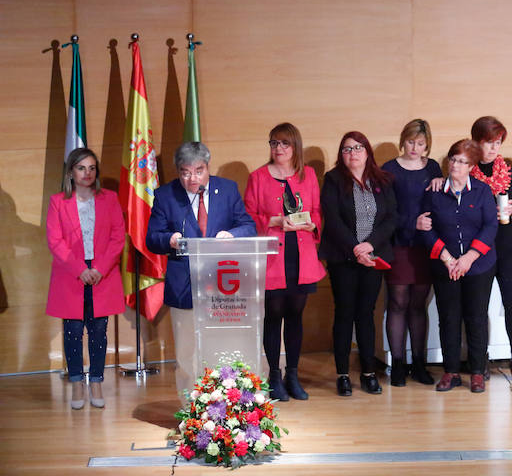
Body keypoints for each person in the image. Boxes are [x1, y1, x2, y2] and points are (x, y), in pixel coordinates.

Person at [146, 142, 257, 397]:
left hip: (222, 287)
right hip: (183, 284)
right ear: (178, 172)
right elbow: (152, 238)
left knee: (219, 348)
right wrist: (169, 239)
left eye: (198, 171)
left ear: (208, 167)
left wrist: (232, 234)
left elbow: (248, 225)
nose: (192, 178)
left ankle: (220, 406)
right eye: (185, 172)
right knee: (186, 352)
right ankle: (190, 411)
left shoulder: (227, 189)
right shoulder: (165, 195)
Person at [244, 123, 325, 401]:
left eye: (284, 144)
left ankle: (293, 374)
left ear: (295, 147)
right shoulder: (257, 177)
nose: (278, 149)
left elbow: (316, 211)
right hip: (272, 257)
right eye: (274, 143)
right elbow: (248, 217)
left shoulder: (309, 175)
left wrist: (312, 224)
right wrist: (275, 221)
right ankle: (274, 376)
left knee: (295, 316)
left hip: (301, 255)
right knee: (273, 315)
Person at [319, 132, 397, 397]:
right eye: (346, 149)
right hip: (344, 258)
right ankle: (342, 375)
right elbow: (332, 219)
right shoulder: (333, 180)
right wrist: (355, 248)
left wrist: (369, 245)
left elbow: (391, 218)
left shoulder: (382, 180)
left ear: (367, 152)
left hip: (373, 258)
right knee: (344, 314)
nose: (352, 153)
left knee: (366, 314)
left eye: (357, 148)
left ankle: (368, 373)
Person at [46, 148, 125, 409]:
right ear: (71, 172)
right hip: (72, 273)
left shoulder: (109, 199)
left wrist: (99, 268)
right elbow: (55, 241)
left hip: (102, 273)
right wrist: (79, 269)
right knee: (73, 331)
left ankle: (97, 381)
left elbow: (117, 238)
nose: (87, 173)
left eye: (92, 168)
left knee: (99, 330)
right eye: (81, 168)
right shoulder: (59, 202)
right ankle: (78, 382)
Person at [420, 139, 498, 393]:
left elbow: (490, 227)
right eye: (453, 159)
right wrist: (447, 259)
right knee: (449, 318)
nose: (456, 165)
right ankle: (451, 371)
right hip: (445, 265)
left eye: (463, 161)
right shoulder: (433, 191)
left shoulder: (482, 191)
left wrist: (468, 258)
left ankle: (477, 372)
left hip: (478, 265)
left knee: (476, 318)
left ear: (471, 166)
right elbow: (426, 228)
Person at [469, 116, 512, 384]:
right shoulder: (466, 168)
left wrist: (509, 211)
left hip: (506, 244)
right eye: (488, 142)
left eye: (498, 143)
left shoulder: (506, 168)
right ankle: (479, 359)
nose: (494, 148)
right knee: (478, 306)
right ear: (476, 142)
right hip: (480, 246)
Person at [381, 119, 443, 387]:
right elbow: (385, 212)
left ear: (427, 144)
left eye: (420, 143)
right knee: (397, 303)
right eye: (410, 142)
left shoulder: (433, 168)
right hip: (398, 243)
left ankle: (419, 363)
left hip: (426, 245)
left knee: (419, 305)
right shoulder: (389, 169)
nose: (414, 148)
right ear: (402, 140)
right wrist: (411, 223)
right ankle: (397, 364)